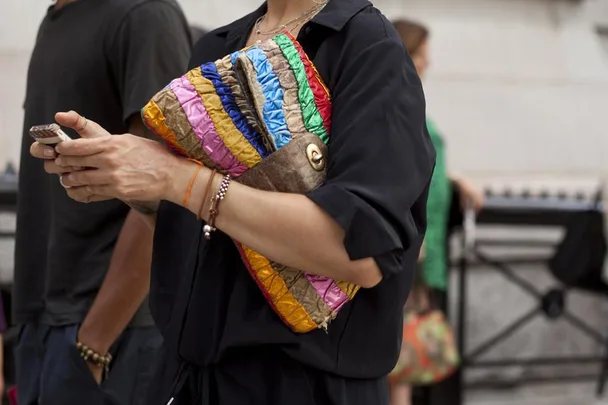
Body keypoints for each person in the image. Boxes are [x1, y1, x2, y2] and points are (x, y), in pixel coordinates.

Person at [30, 0, 436, 404]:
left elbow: (359, 253)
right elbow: (204, 234)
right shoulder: (217, 46)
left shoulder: (367, 45)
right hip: (185, 376)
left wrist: (179, 180)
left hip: (303, 384)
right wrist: (133, 178)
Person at [13, 0, 191, 404]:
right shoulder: (57, 19)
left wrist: (94, 344)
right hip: (40, 330)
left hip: (113, 339)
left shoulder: (145, 15)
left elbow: (165, 191)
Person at [389, 19, 485, 405]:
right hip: (405, 249)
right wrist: (415, 238)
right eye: (421, 55)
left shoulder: (407, 106)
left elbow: (424, 167)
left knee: (405, 355)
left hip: (413, 247)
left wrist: (456, 178)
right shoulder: (396, 108)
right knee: (397, 355)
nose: (428, 64)